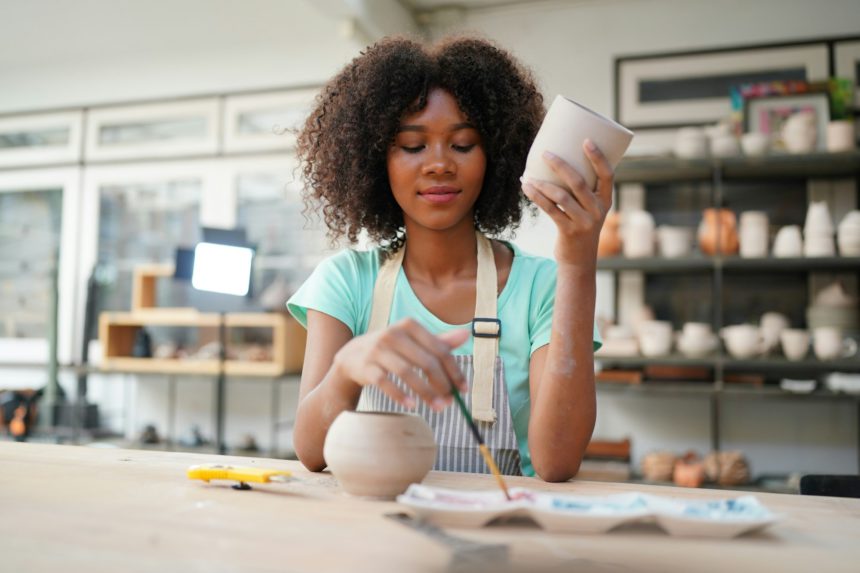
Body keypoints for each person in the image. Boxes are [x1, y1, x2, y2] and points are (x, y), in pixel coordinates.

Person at [287, 35, 612, 482]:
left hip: (501, 531)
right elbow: (310, 452)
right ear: (374, 159)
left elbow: (557, 463)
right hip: (375, 532)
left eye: (462, 145)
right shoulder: (346, 281)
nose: (439, 164)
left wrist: (578, 261)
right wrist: (346, 369)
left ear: (495, 156)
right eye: (412, 145)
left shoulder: (542, 286)